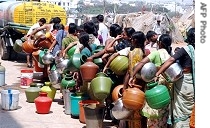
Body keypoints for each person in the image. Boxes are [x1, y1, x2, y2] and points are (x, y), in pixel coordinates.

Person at [129, 34, 173, 128]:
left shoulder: (156, 53)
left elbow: (141, 63)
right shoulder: (170, 55)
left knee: (154, 109)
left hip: (156, 84)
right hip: (166, 87)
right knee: (163, 109)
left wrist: (132, 76)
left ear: (159, 43)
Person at [155, 28, 195, 128]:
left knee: (181, 109)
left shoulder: (185, 50)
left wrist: (158, 73)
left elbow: (170, 60)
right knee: (192, 107)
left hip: (184, 83)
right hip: (193, 85)